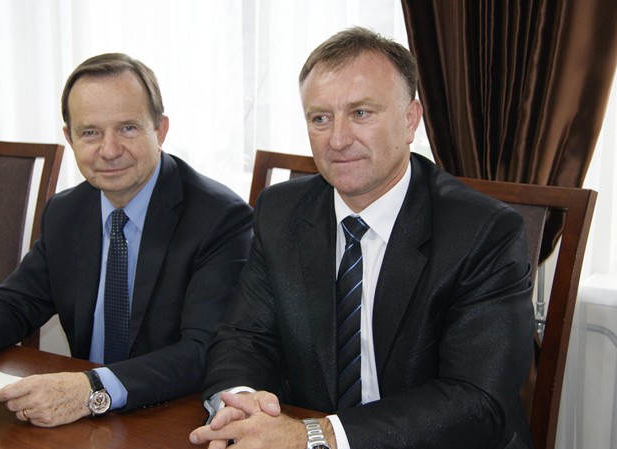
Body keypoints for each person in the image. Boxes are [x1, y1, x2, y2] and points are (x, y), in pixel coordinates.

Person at [189, 27, 534, 449]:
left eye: (361, 113)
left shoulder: (483, 231)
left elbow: (477, 401)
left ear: (410, 120)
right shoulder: (281, 212)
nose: (338, 140)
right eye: (320, 118)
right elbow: (245, 337)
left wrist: (316, 436)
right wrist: (241, 405)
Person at [0, 53, 253, 427]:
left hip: (169, 417)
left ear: (160, 130)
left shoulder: (218, 218)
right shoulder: (66, 211)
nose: (109, 150)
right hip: (80, 422)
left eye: (128, 128)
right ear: (69, 138)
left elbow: (202, 350)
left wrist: (91, 389)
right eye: (90, 133)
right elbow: (17, 301)